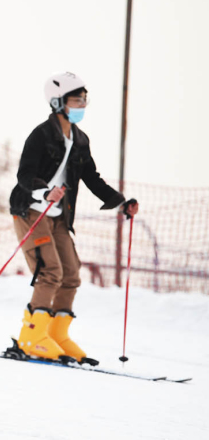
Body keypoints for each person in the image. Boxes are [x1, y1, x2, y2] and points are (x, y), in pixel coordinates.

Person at [9, 72, 139, 361]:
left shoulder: (80, 139)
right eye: (76, 99)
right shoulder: (41, 135)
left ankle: (55, 335)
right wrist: (45, 192)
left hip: (59, 217)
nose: (82, 104)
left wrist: (120, 203)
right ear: (58, 102)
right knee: (49, 270)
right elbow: (25, 175)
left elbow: (92, 177)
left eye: (84, 99)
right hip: (31, 210)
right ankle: (31, 337)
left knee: (71, 274)